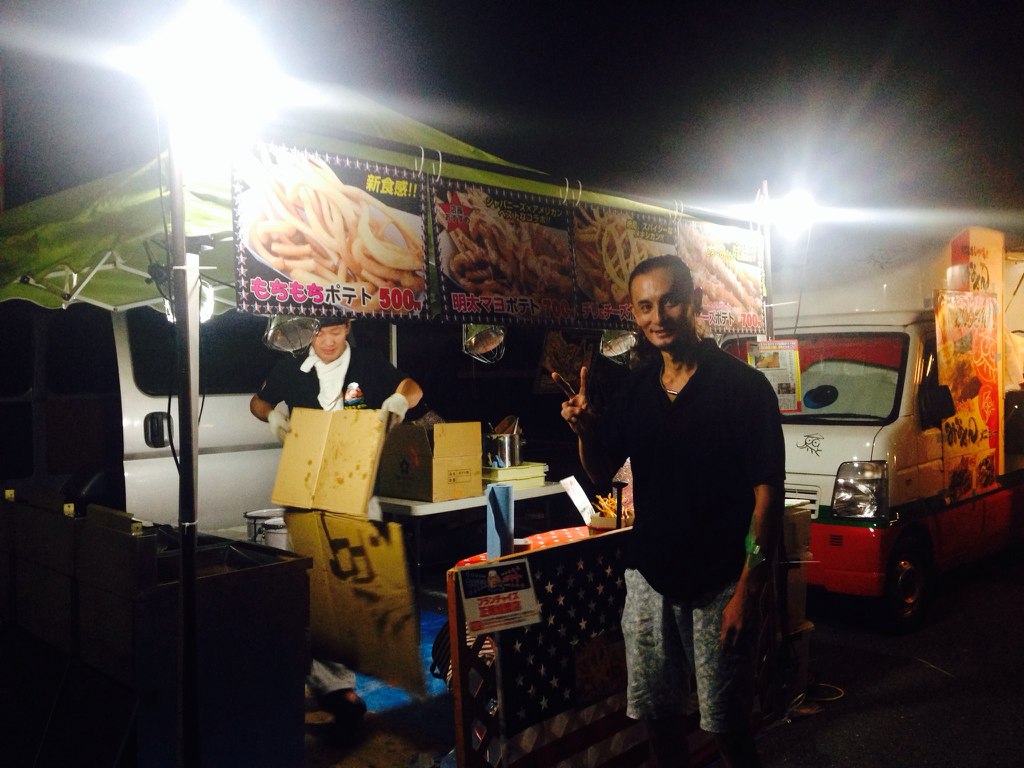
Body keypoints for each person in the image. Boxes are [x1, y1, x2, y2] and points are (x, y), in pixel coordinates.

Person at [556, 255, 784, 768]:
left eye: (670, 302)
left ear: (695, 302)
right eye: (645, 307)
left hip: (720, 585)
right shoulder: (636, 390)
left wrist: (748, 590)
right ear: (634, 313)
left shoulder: (744, 389)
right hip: (649, 581)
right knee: (659, 722)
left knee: (729, 729)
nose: (657, 317)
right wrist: (585, 431)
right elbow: (602, 472)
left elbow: (767, 498)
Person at [250, 314, 423, 737]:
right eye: (319, 333)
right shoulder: (292, 366)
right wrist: (273, 416)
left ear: (348, 328)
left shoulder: (368, 363)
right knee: (313, 588)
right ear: (308, 332)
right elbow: (258, 401)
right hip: (306, 483)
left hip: (357, 485)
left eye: (335, 331)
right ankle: (332, 687)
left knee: (355, 587)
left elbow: (412, 387)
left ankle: (353, 674)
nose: (327, 341)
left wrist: (398, 402)